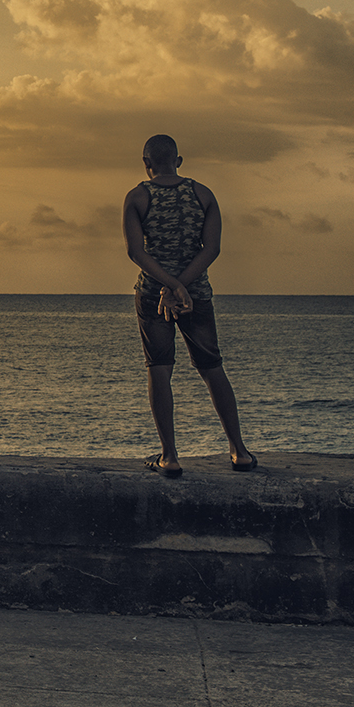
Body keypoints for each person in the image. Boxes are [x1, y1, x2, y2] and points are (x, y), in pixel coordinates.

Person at [123, 134, 256, 476]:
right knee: (212, 367)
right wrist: (184, 286)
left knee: (159, 369)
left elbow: (136, 252)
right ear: (179, 161)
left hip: (154, 294)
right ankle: (239, 452)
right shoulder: (203, 194)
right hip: (196, 294)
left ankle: (169, 457)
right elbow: (211, 248)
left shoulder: (138, 197)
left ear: (146, 163)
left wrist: (169, 285)